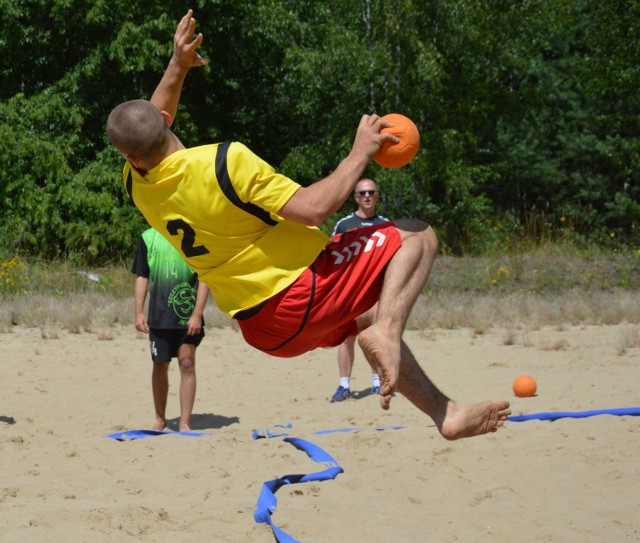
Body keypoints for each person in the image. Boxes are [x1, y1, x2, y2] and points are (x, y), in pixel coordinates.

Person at [107, 10, 510, 441]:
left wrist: (177, 64)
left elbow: (148, 123)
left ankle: (442, 412)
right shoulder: (224, 161)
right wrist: (360, 152)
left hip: (262, 330)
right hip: (298, 294)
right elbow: (315, 209)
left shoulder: (137, 183)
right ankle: (389, 334)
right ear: (162, 128)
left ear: (131, 157)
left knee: (371, 314)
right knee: (416, 234)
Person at [131, 227, 209, 431]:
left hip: (187, 316)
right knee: (160, 365)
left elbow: (205, 276)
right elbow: (142, 276)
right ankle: (160, 419)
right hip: (159, 315)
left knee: (187, 364)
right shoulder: (148, 237)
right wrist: (139, 311)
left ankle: (184, 423)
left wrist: (197, 314)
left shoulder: (194, 234)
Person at [330, 179, 389, 402]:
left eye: (371, 192)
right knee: (347, 338)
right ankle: (343, 386)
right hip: (349, 292)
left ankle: (377, 382)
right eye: (362, 193)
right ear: (356, 197)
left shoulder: (386, 225)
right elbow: (331, 255)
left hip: (375, 292)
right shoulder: (344, 225)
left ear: (376, 196)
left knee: (373, 337)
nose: (367, 196)